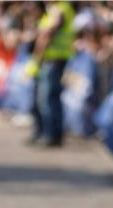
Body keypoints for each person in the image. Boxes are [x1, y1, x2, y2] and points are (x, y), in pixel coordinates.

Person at [28, 1, 76, 147]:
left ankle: (51, 136)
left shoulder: (60, 9)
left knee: (47, 100)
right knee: (45, 99)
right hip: (49, 61)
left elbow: (47, 34)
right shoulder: (54, 10)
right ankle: (43, 133)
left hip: (53, 61)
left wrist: (37, 59)